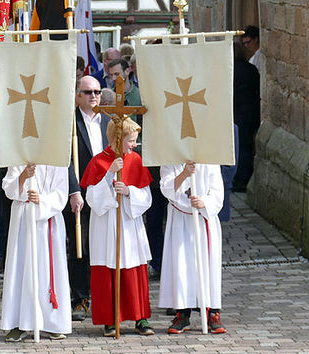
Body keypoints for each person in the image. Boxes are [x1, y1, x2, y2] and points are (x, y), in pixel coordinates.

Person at [80, 117, 154, 337]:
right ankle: (110, 320)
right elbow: (92, 198)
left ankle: (140, 317)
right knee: (108, 269)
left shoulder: (136, 160)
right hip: (106, 225)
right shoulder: (98, 162)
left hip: (129, 224)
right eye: (131, 140)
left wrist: (130, 192)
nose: (134, 145)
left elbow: (147, 197)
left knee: (133, 267)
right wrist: (109, 175)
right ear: (118, 139)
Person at [56, 75, 110, 322]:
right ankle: (80, 297)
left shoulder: (109, 122)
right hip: (81, 193)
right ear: (77, 95)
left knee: (103, 246)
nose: (94, 96)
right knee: (80, 246)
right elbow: (64, 159)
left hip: (106, 193)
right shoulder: (69, 123)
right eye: (88, 92)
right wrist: (73, 190)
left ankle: (103, 295)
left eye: (97, 91)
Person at [0, 163, 71, 342]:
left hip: (49, 220)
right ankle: (19, 322)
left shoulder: (57, 159)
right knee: (21, 268)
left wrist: (42, 200)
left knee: (47, 270)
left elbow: (61, 193)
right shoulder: (20, 157)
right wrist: (23, 176)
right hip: (23, 218)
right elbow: (8, 188)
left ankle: (50, 322)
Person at [159, 161, 227, 334]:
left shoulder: (209, 160)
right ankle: (183, 313)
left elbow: (217, 192)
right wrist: (184, 174)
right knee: (182, 266)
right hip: (180, 218)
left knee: (207, 266)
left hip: (203, 217)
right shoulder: (170, 159)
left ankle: (212, 312)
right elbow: (166, 188)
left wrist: (204, 202)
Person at [232, 41, 260, 192]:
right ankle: (244, 177)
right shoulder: (251, 69)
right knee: (246, 146)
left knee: (237, 148)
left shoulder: (228, 70)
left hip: (235, 113)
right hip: (251, 113)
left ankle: (238, 178)